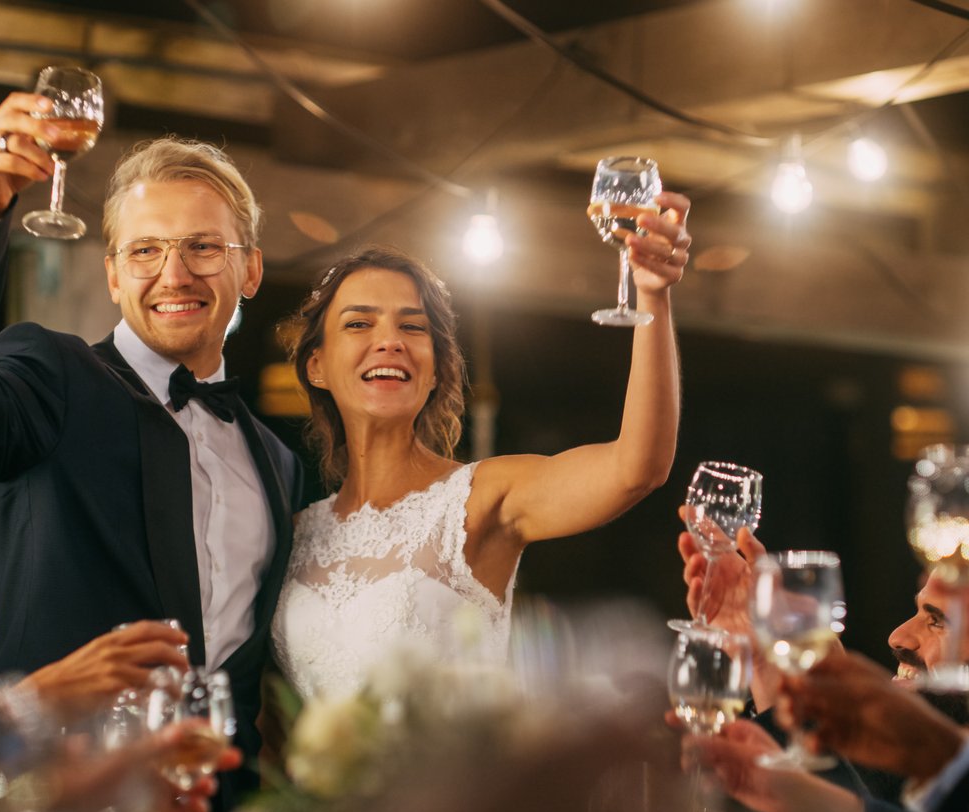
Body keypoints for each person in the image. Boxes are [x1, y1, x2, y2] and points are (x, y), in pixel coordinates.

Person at [0, 99, 300, 787]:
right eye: (146, 250)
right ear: (113, 275)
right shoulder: (50, 376)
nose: (174, 274)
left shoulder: (279, 461)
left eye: (203, 246)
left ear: (251, 271)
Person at [274, 232, 686, 702]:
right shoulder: (296, 534)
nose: (389, 341)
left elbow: (637, 467)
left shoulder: (479, 499)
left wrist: (652, 294)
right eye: (359, 324)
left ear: (434, 370)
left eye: (412, 327)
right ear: (316, 365)